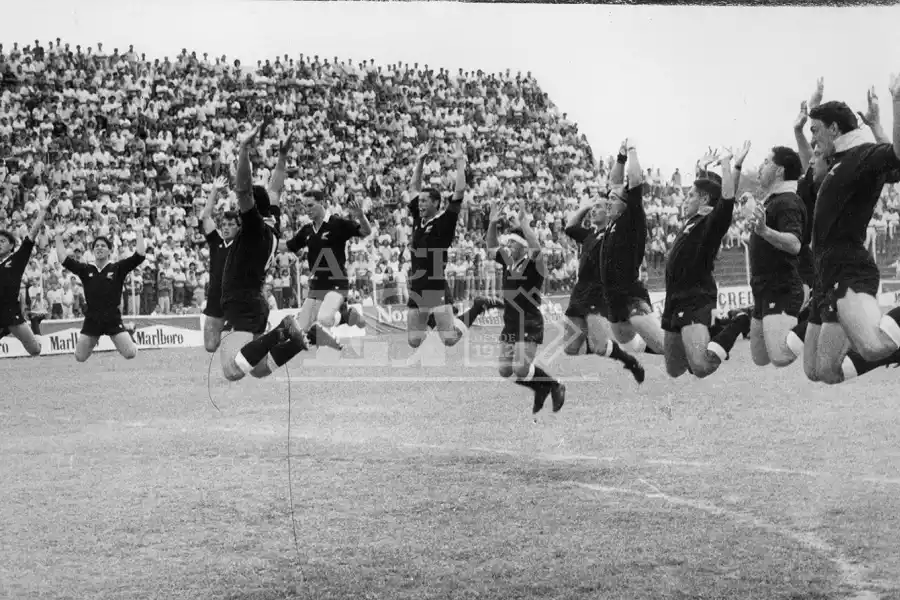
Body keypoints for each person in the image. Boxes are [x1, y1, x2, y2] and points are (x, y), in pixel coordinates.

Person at [218, 122, 338, 382]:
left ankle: (284, 328)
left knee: (231, 370)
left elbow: (244, 189)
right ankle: (305, 337)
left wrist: (243, 150)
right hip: (254, 302)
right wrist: (282, 156)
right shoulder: (271, 224)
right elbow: (275, 188)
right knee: (259, 369)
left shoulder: (254, 227)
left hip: (243, 303)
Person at [801, 76, 900, 385]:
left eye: (815, 131)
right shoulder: (836, 161)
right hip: (825, 277)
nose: (814, 140)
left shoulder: (862, 156)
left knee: (872, 347)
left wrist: (892, 106)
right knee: (818, 371)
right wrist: (814, 107)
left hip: (848, 270)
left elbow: (896, 160)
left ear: (834, 129)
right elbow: (814, 158)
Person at [661, 143, 753, 379]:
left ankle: (739, 322)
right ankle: (716, 326)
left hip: (694, 297)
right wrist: (701, 168)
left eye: (690, 195)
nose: (685, 199)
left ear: (703, 199)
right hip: (674, 298)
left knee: (700, 366)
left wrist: (730, 164)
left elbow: (726, 197)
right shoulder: (693, 218)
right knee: (675, 369)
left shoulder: (713, 221)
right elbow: (709, 187)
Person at [486, 199, 565, 414]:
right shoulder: (508, 261)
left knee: (521, 367)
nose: (508, 246)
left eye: (512, 243)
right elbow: (491, 247)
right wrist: (492, 224)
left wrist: (524, 223)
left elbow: (537, 249)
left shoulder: (535, 264)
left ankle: (554, 384)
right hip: (511, 323)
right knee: (505, 370)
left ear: (522, 245)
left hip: (529, 322)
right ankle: (542, 388)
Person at [561, 195, 645, 382]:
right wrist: (585, 207)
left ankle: (629, 360)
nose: (593, 210)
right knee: (570, 348)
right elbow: (569, 228)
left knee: (600, 347)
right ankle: (609, 341)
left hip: (598, 292)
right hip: (579, 293)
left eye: (598, 207)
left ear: (608, 211)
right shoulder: (590, 234)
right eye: (593, 208)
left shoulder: (613, 233)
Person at [599, 140, 666, 363]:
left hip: (630, 294)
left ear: (626, 203)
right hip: (613, 298)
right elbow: (614, 182)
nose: (607, 202)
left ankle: (700, 347)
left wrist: (632, 151)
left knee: (665, 347)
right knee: (629, 344)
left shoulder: (632, 216)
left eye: (612, 199)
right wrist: (619, 157)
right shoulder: (613, 220)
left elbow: (634, 180)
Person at [405, 139, 470, 349]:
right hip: (417, 286)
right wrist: (420, 161)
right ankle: (434, 320)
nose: (420, 204)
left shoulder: (445, 221)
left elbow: (459, 191)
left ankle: (476, 308)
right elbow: (413, 187)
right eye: (419, 201)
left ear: (435, 203)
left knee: (449, 339)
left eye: (424, 201)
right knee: (414, 341)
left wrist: (460, 161)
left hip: (435, 285)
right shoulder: (419, 220)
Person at [746, 146, 807, 369]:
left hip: (781, 288)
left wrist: (764, 232)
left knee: (781, 356)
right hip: (762, 288)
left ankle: (820, 315)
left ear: (779, 170)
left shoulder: (787, 201)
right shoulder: (773, 200)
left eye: (765, 161)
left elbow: (794, 244)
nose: (761, 167)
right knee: (760, 357)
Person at [280, 189, 371, 337]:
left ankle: (345, 316)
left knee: (324, 319)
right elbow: (287, 246)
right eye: (305, 206)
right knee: (302, 328)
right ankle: (347, 315)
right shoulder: (307, 230)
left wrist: (361, 216)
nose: (307, 210)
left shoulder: (337, 223)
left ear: (322, 203)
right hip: (316, 286)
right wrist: (266, 239)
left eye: (310, 205)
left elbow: (366, 232)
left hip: (337, 282)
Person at [55, 230, 146, 362]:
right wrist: (58, 236)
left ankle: (129, 333)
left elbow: (140, 255)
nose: (99, 247)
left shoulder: (117, 268)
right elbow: (63, 259)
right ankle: (127, 328)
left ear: (110, 250)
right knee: (80, 357)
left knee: (130, 354)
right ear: (92, 251)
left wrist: (139, 231)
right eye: (96, 246)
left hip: (112, 318)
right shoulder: (86, 270)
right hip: (92, 319)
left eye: (103, 245)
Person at [0, 197, 52, 356]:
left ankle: (36, 326)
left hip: (12, 313)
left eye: (2, 241)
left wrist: (42, 211)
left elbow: (32, 234)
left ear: (11, 245)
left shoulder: (16, 259)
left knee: (35, 350)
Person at [200, 175, 238, 352]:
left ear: (238, 227)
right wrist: (214, 190)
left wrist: (232, 195)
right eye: (224, 224)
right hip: (215, 298)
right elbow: (206, 216)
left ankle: (232, 330)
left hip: (236, 299)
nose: (226, 227)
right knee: (210, 346)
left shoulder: (242, 244)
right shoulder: (216, 242)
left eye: (231, 224)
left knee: (235, 346)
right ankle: (226, 331)